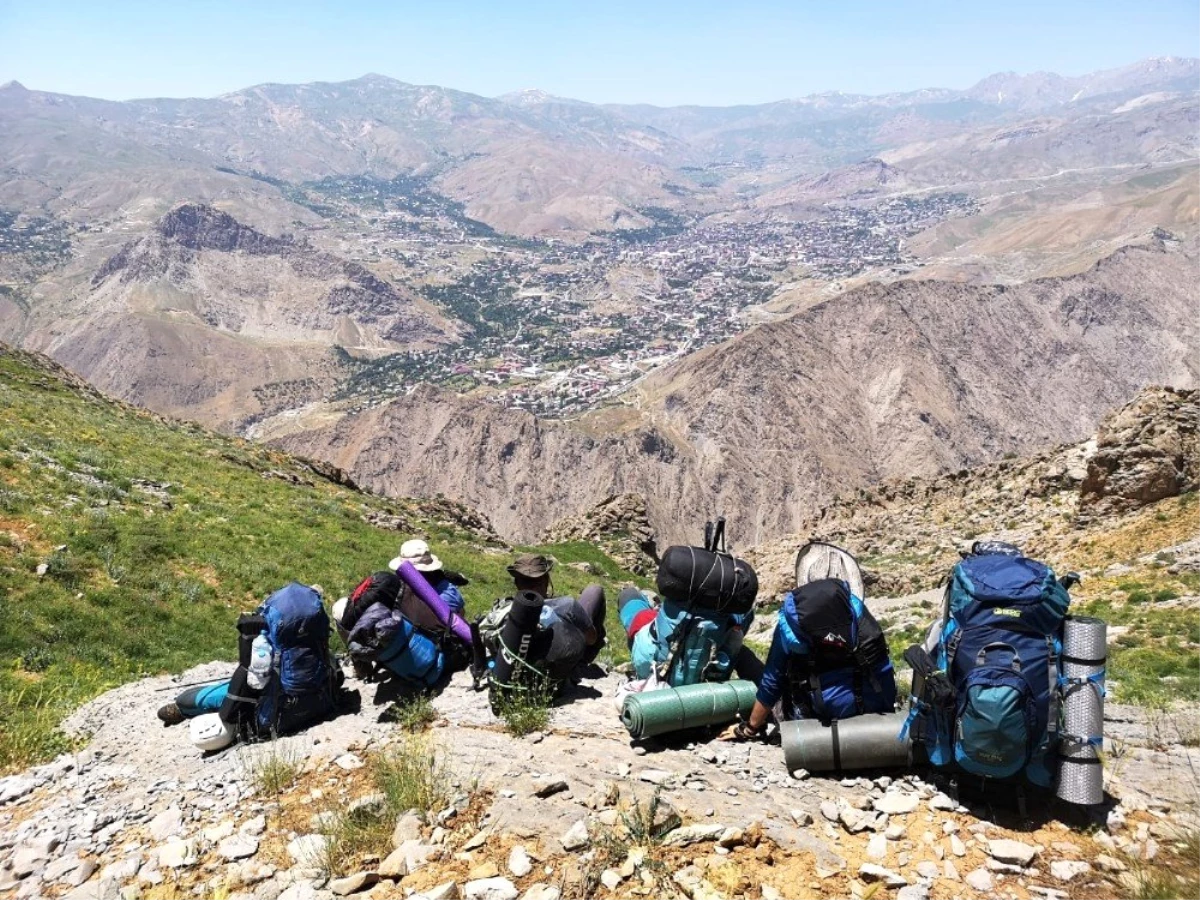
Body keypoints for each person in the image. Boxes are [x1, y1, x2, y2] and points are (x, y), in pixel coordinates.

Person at [720, 578, 895, 741]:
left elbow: (771, 683)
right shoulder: (855, 611)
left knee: (745, 657)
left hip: (820, 720)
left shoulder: (791, 629)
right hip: (879, 710)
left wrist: (749, 729)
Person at [490, 553, 607, 685]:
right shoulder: (567, 606)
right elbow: (591, 639)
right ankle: (581, 664)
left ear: (517, 583)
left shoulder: (504, 610)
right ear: (546, 580)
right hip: (562, 669)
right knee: (595, 591)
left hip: (517, 672)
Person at [618, 586, 762, 687]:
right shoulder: (734, 622)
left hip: (655, 670)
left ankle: (641, 675)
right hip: (709, 681)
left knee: (629, 595)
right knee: (739, 642)